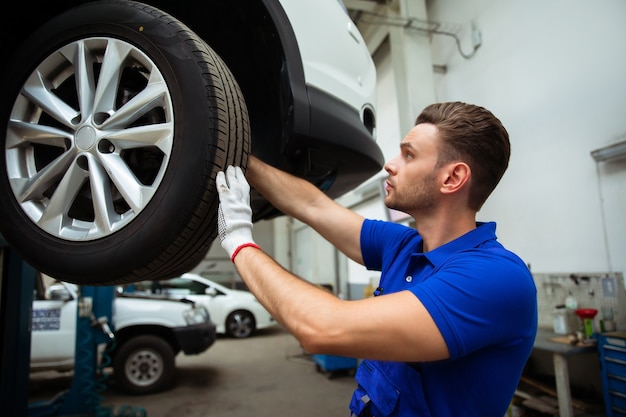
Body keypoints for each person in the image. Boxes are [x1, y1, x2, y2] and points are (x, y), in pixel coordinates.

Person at [216, 101, 538, 417]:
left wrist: (240, 242)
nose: (391, 164)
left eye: (409, 155)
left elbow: (320, 328)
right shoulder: (405, 245)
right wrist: (233, 151)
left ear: (452, 178)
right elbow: (314, 206)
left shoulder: (494, 277)